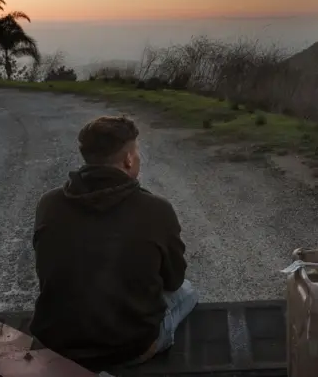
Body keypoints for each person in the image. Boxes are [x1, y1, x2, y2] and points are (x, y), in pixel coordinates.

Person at [29, 115, 198, 369]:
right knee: (188, 291)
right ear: (128, 159)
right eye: (137, 151)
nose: (138, 157)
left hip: (59, 346)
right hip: (132, 348)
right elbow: (173, 280)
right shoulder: (156, 209)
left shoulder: (49, 203)